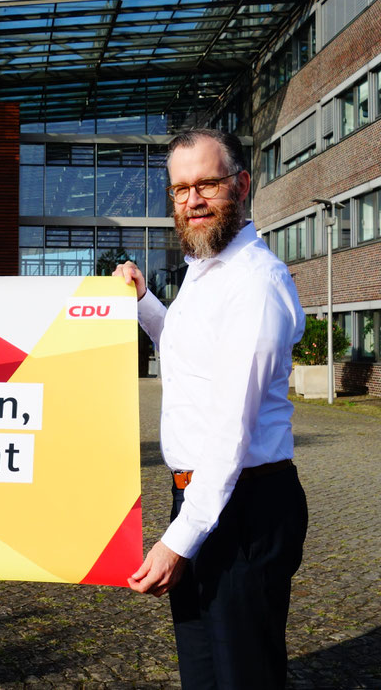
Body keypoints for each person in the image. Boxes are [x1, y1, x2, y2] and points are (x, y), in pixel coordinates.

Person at [114, 128, 308, 689]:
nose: (192, 200)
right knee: (202, 668)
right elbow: (183, 348)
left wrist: (179, 538)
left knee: (242, 675)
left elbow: (231, 426)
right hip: (202, 497)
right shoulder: (204, 274)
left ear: (241, 185)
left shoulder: (255, 283)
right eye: (180, 190)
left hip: (243, 503)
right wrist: (142, 300)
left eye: (207, 184)